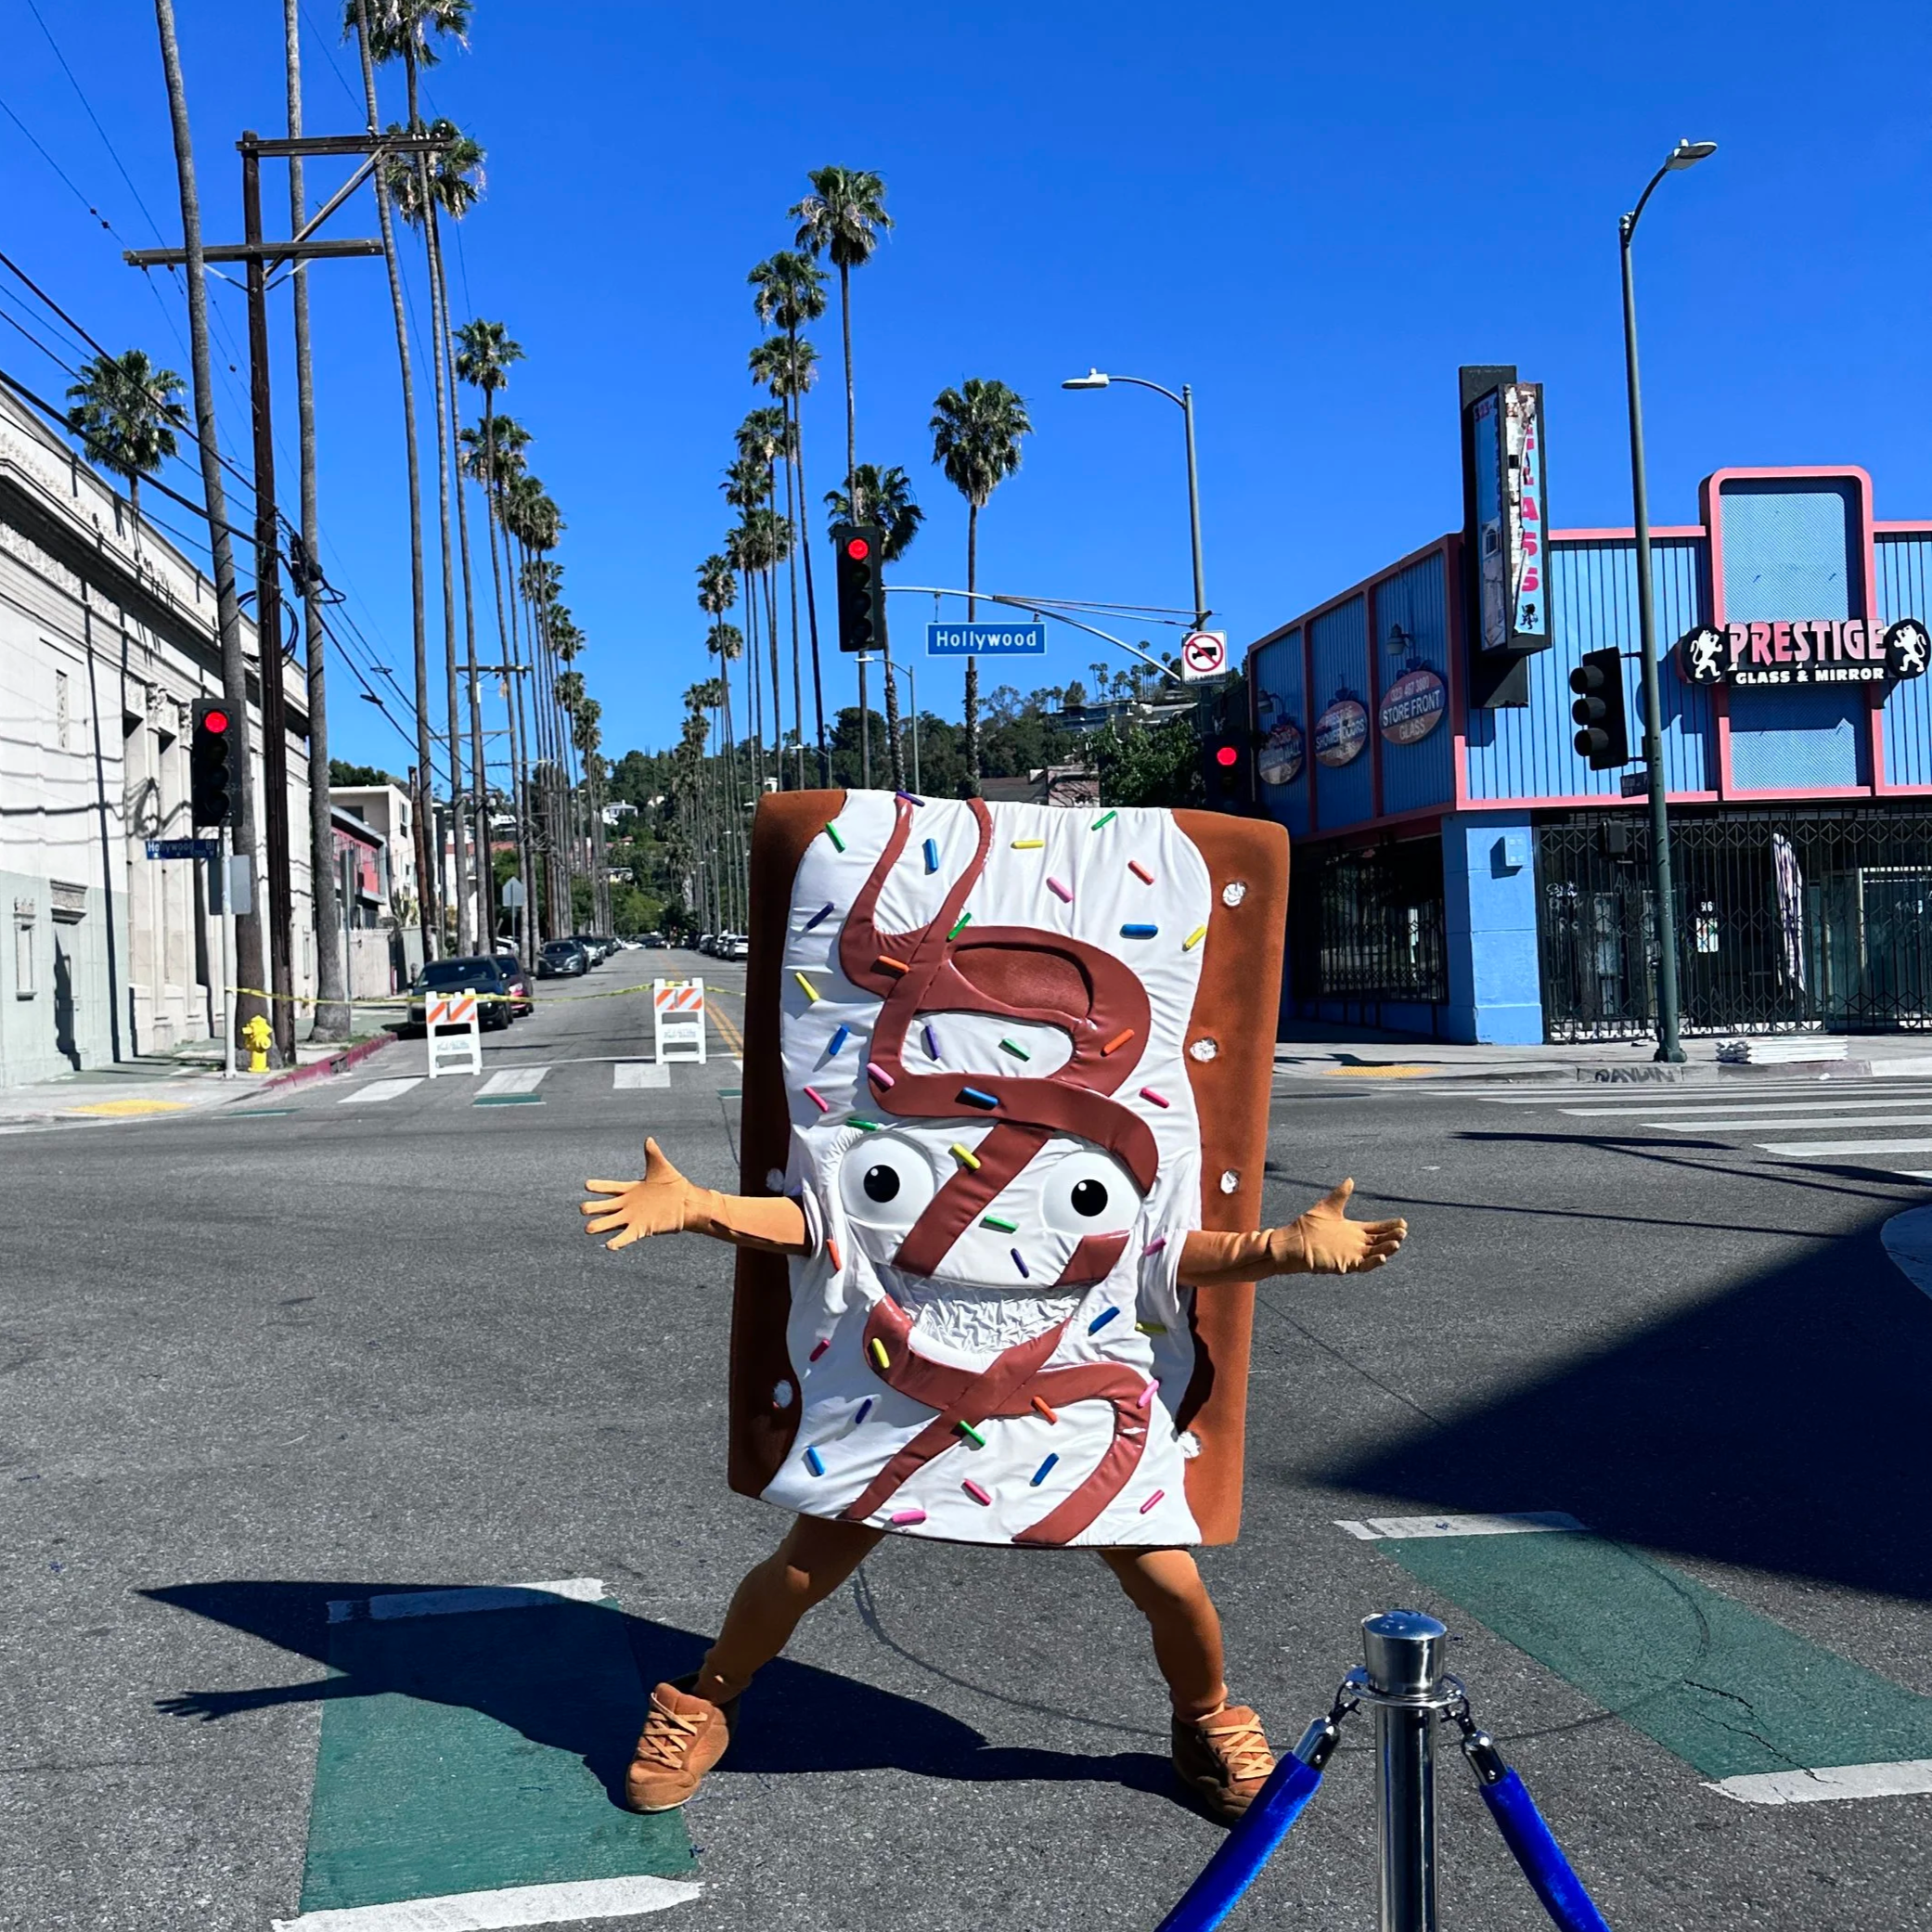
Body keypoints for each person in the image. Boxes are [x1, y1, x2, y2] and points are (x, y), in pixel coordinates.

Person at [581, 1140, 1405, 1820]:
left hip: (1076, 1404)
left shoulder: (1094, 1148)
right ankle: (705, 1700)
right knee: (800, 1571)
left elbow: (1163, 1250)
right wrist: (698, 1207)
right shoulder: (904, 1132)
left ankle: (1207, 1721)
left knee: (1171, 1583)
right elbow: (818, 1225)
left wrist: (1281, 1251)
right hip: (900, 1402)